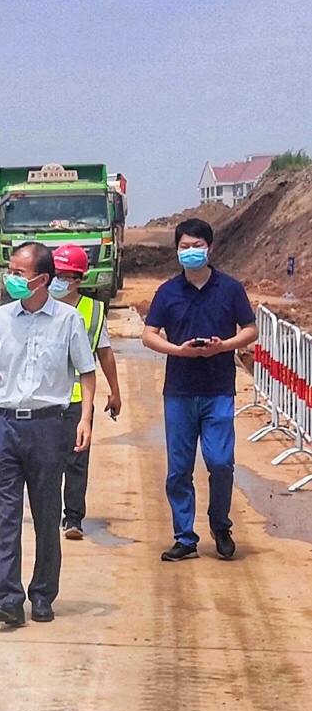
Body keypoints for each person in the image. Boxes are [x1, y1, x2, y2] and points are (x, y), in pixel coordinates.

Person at [0, 242, 96, 627]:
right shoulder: (0, 319)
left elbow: (87, 372)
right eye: (9, 270)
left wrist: (85, 419)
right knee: (7, 516)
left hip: (48, 426)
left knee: (46, 515)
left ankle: (43, 594)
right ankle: (7, 599)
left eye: (19, 273)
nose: (10, 278)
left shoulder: (68, 320)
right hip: (5, 425)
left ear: (42, 279)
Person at [142, 218, 257, 562]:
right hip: (179, 391)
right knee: (179, 468)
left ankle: (220, 526)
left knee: (220, 463)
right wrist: (178, 351)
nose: (190, 252)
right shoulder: (167, 292)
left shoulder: (230, 289)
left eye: (197, 246)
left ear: (210, 248)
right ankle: (185, 537)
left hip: (218, 389)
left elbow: (250, 330)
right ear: (176, 250)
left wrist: (224, 346)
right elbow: (149, 334)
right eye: (184, 247)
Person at [51, 243, 121, 539]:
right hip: (45, 398)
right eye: (55, 274)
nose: (57, 280)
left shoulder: (93, 311)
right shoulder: (39, 306)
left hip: (79, 398)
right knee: (47, 462)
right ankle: (49, 514)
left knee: (77, 460)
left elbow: (104, 352)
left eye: (64, 276)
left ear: (78, 279)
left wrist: (115, 391)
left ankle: (73, 518)